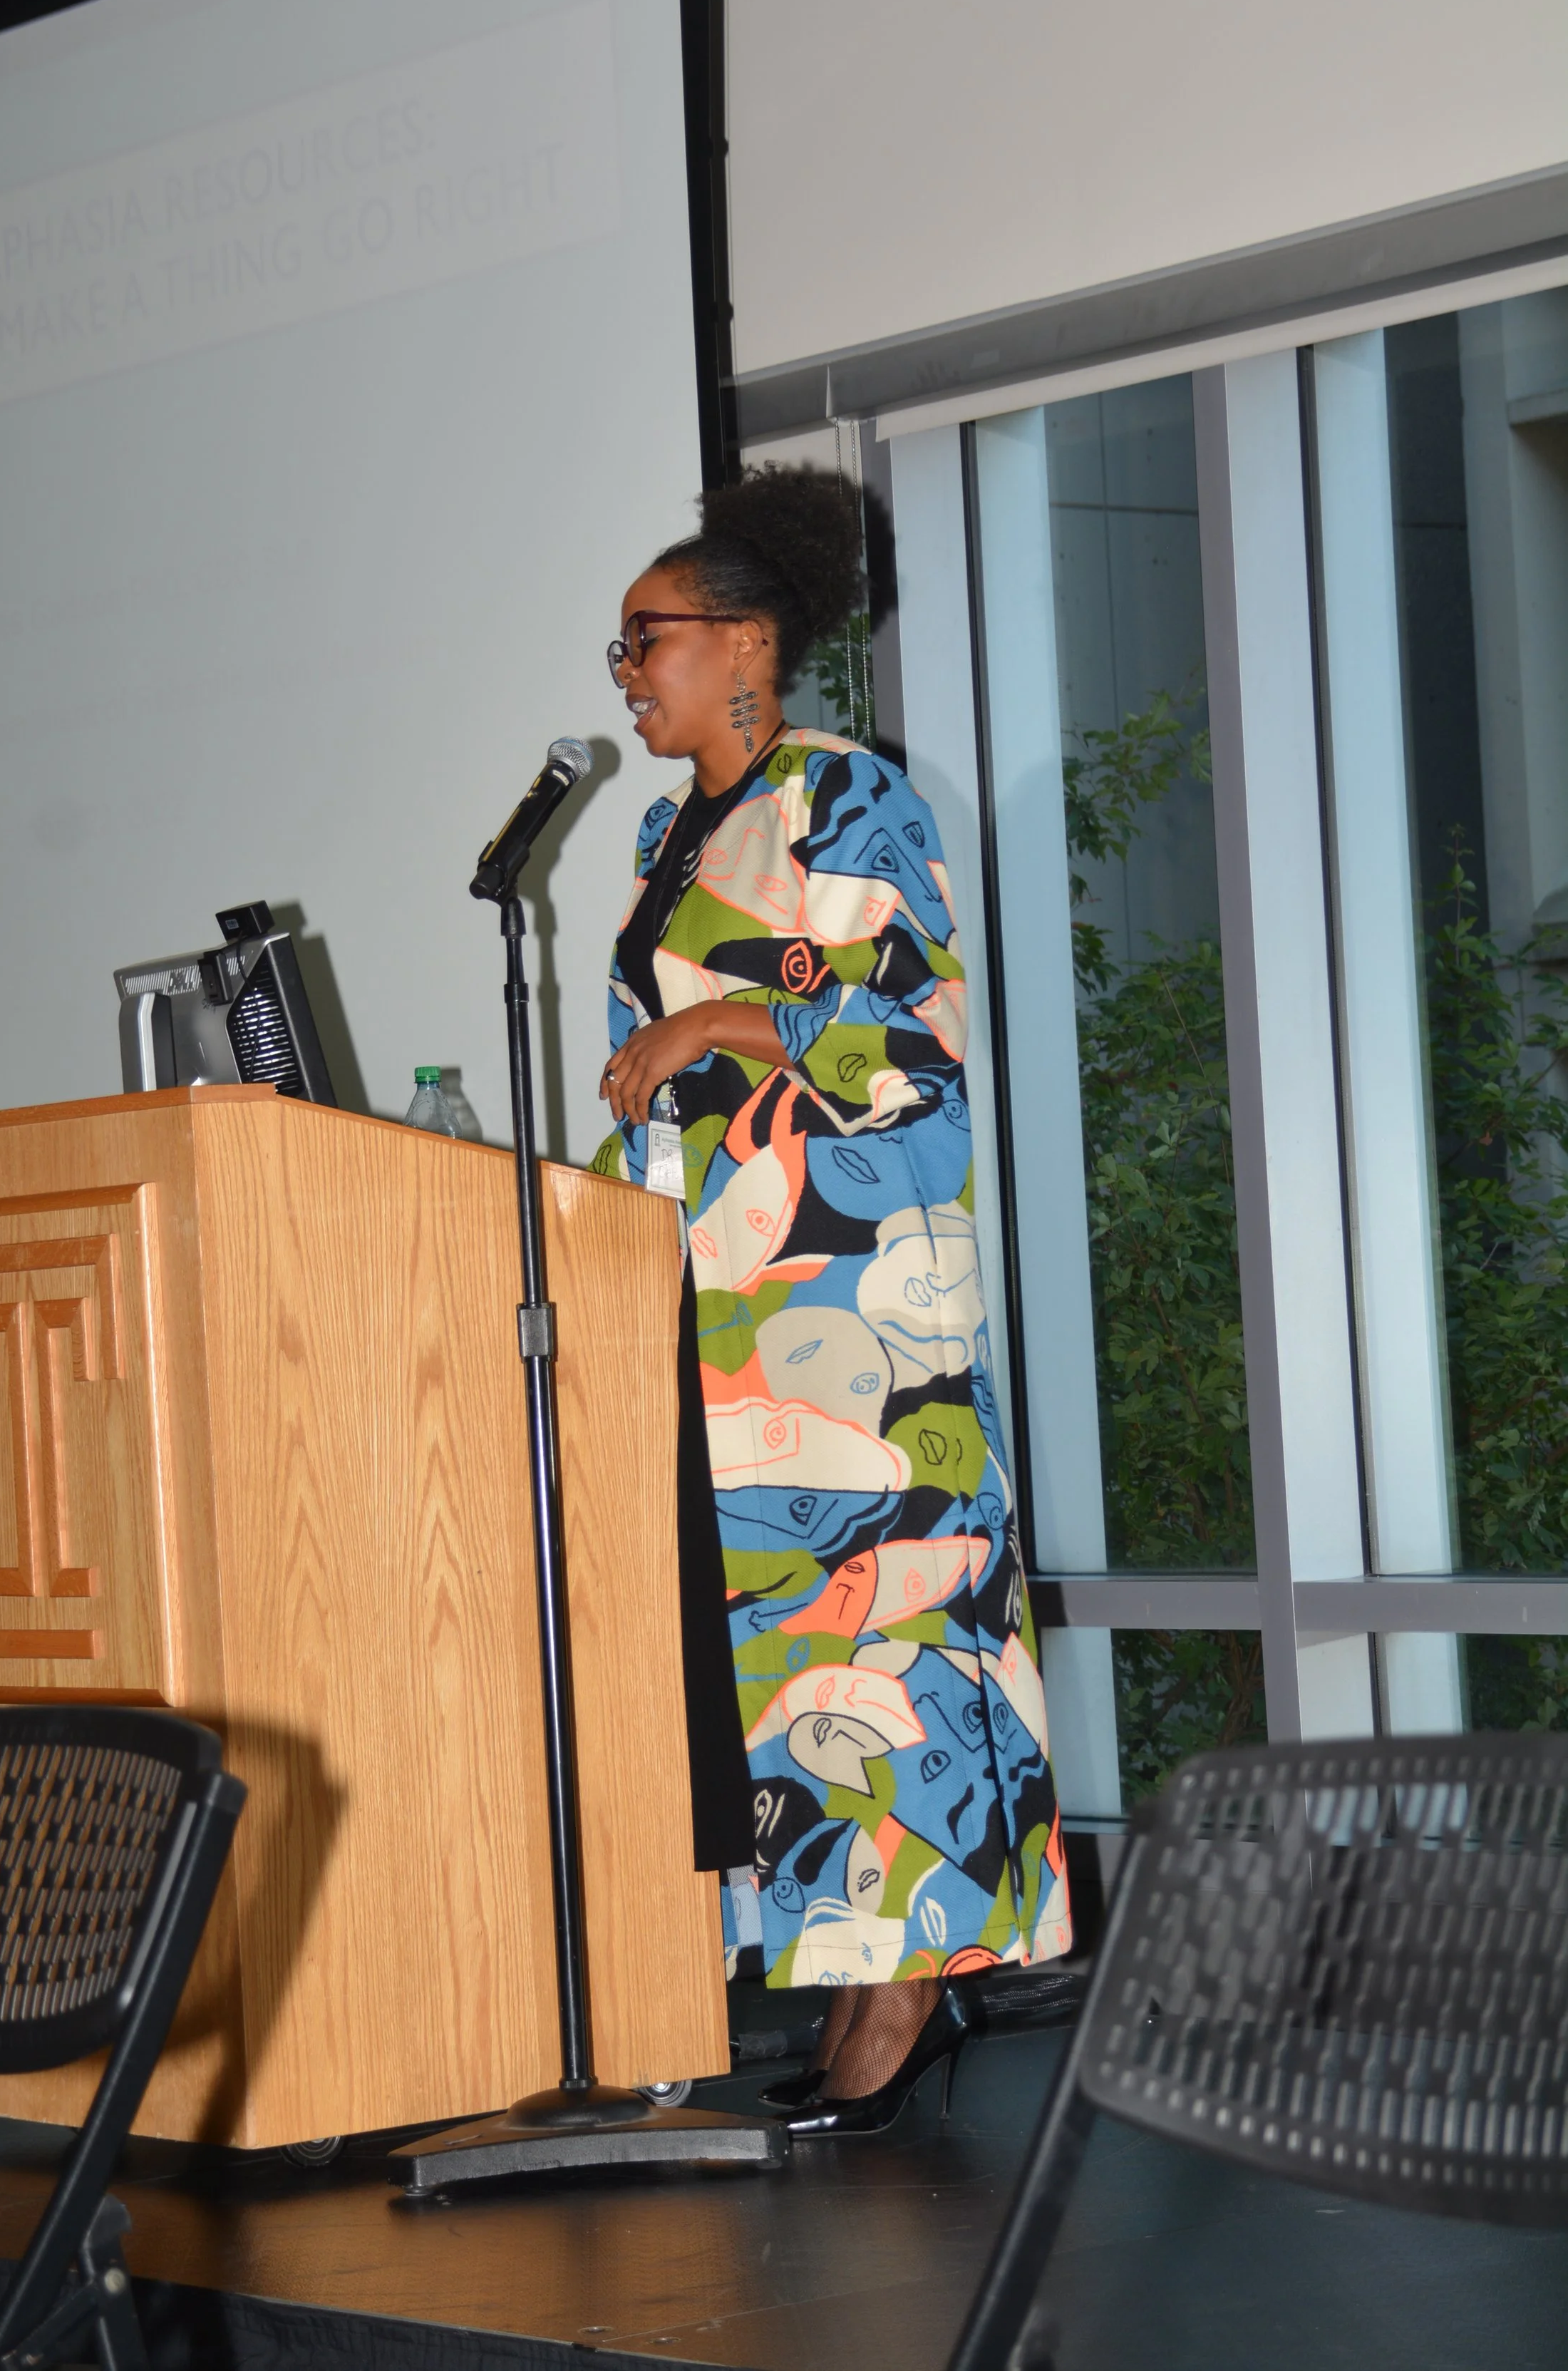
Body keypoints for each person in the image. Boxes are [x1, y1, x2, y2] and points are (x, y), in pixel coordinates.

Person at [592, 463, 1071, 2135]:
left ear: (745, 644)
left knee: (895, 1640)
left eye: (645, 640)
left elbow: (917, 1053)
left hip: (859, 1319)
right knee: (794, 1665)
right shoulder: (667, 836)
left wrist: (723, 1029)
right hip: (720, 1311)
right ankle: (861, 1975)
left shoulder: (845, 796)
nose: (629, 672)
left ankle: (910, 1989)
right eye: (622, 649)